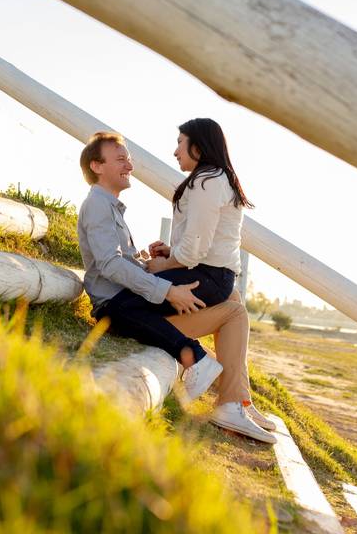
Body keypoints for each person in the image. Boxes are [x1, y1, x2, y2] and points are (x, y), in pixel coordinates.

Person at [77, 129, 275, 443]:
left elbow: (118, 261)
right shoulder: (98, 206)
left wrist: (146, 260)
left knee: (233, 298)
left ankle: (239, 402)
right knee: (233, 311)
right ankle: (231, 401)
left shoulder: (110, 207)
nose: (130, 165)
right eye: (120, 159)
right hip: (124, 310)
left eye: (129, 158)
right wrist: (167, 290)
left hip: (136, 303)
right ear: (98, 167)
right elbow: (109, 265)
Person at [144, 117, 276, 439]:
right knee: (236, 308)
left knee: (234, 309)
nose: (175, 151)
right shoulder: (215, 179)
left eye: (180, 142)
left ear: (198, 147)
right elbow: (203, 241)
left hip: (211, 274)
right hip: (216, 274)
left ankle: (234, 403)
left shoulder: (207, 181)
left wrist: (165, 264)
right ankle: (238, 399)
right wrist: (172, 251)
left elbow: (196, 247)